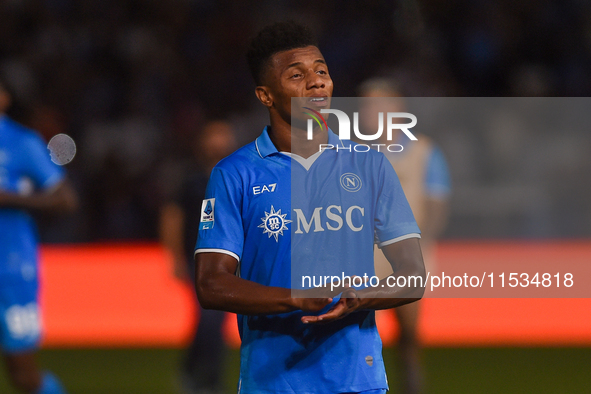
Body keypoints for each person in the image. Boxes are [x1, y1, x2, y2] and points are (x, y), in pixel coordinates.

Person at [194, 21, 426, 394]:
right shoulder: (234, 174)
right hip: (271, 383)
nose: (316, 82)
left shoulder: (368, 164)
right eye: (296, 75)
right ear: (265, 95)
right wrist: (293, 297)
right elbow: (210, 284)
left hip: (359, 382)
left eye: (321, 71)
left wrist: (359, 297)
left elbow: (413, 273)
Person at [359, 78, 451, 394]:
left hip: (406, 255)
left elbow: (437, 204)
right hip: (362, 254)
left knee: (408, 332)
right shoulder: (351, 152)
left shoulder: (424, 152)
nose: (373, 111)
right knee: (354, 328)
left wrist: (420, 245)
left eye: (381, 104)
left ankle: (412, 384)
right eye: (368, 105)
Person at [0, 80, 77, 393]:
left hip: (11, 269)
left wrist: (10, 200)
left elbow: (66, 199)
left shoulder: (20, 142)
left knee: (24, 375)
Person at [160, 120, 237, 394]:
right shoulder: (190, 180)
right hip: (198, 260)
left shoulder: (235, 178)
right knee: (210, 319)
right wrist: (174, 258)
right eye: (213, 137)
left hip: (228, 261)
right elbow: (173, 217)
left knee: (213, 320)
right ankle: (207, 379)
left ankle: (194, 373)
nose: (217, 144)